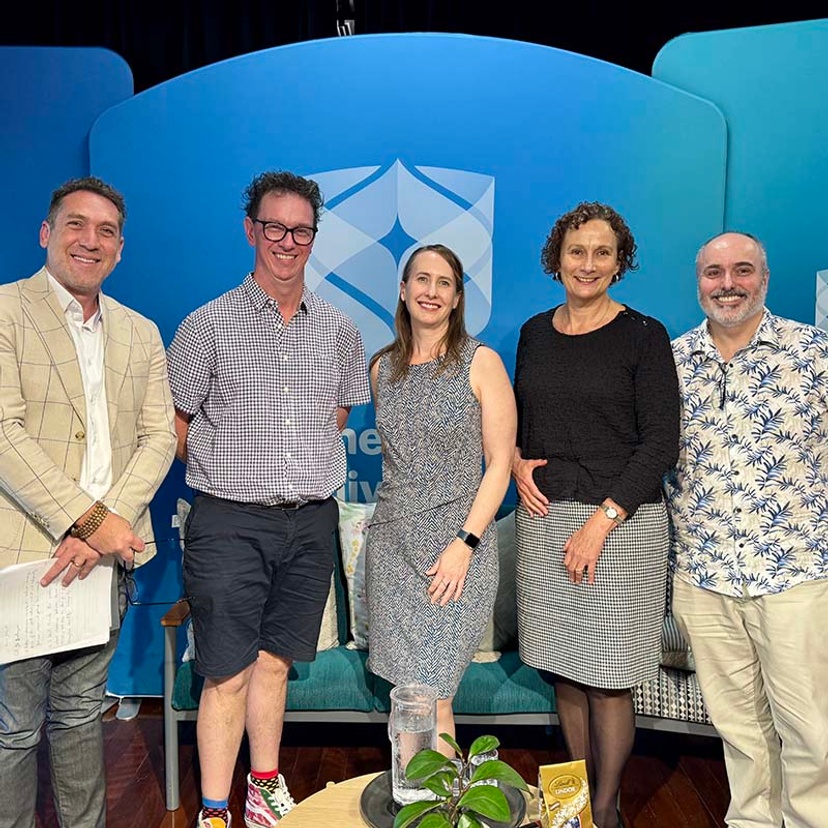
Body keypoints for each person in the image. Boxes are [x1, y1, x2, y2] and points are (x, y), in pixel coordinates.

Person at [166, 170, 371, 828]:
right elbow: (176, 423)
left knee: (275, 663)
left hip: (310, 522)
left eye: (301, 229)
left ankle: (262, 789)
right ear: (251, 228)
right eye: (274, 226)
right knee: (225, 672)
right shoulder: (206, 325)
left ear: (314, 237)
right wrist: (228, 470)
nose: (288, 240)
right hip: (227, 521)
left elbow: (333, 417)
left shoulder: (340, 330)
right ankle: (215, 809)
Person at [0, 177, 177, 827]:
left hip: (106, 560)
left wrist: (104, 527)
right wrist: (90, 519)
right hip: (23, 558)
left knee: (81, 717)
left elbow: (159, 436)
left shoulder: (140, 331)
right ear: (47, 233)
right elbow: (2, 433)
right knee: (14, 729)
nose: (90, 240)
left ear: (121, 249)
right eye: (76, 225)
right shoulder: (5, 312)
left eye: (105, 231)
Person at [512, 203, 679, 828]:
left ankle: (604, 814)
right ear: (557, 258)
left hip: (622, 523)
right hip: (546, 518)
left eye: (602, 253)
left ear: (620, 262)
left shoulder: (644, 335)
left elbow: (661, 442)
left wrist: (601, 521)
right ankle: (569, 810)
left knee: (607, 678)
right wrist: (516, 465)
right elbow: (523, 424)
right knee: (564, 668)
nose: (588, 264)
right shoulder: (533, 332)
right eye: (577, 251)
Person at [667, 232, 828, 828]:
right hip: (704, 575)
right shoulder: (672, 361)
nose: (727, 283)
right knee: (738, 728)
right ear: (698, 280)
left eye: (741, 270)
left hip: (796, 573)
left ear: (764, 277)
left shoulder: (814, 353)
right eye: (713, 272)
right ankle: (754, 821)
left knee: (812, 728)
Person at [365, 243, 516, 755]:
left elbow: (498, 465)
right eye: (421, 280)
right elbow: (395, 463)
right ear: (404, 291)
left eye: (444, 282)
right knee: (408, 695)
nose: (431, 291)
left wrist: (464, 544)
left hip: (457, 549)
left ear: (457, 299)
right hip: (393, 549)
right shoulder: (380, 368)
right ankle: (418, 798)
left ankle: (437, 804)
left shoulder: (481, 362)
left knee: (434, 691)